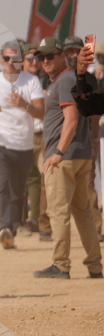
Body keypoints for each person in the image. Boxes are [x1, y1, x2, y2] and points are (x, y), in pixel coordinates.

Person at [33, 37, 102, 279]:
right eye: (41, 57)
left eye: (50, 55)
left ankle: (60, 265)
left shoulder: (64, 81)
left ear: (62, 56)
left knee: (58, 212)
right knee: (82, 212)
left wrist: (58, 152)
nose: (45, 61)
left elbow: (71, 119)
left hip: (65, 157)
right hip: (80, 154)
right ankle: (95, 265)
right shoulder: (67, 80)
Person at [0, 40, 45, 250]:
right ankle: (4, 227)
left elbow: (41, 113)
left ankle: (11, 231)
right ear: (1, 60)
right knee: (2, 183)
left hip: (23, 146)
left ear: (21, 60)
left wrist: (25, 104)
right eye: (6, 58)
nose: (10, 62)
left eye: (14, 58)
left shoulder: (31, 81)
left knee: (17, 192)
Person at [63, 36, 102, 236]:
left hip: (85, 138)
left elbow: (94, 110)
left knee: (87, 182)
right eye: (68, 51)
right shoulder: (58, 76)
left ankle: (96, 226)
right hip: (62, 138)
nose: (72, 54)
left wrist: (93, 138)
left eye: (76, 50)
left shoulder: (90, 78)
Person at [20, 43, 51, 240]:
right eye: (30, 59)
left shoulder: (48, 79)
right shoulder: (17, 82)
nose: (35, 62)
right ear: (22, 62)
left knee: (46, 178)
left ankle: (42, 223)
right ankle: (21, 221)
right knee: (23, 178)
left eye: (37, 59)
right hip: (24, 134)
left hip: (45, 133)